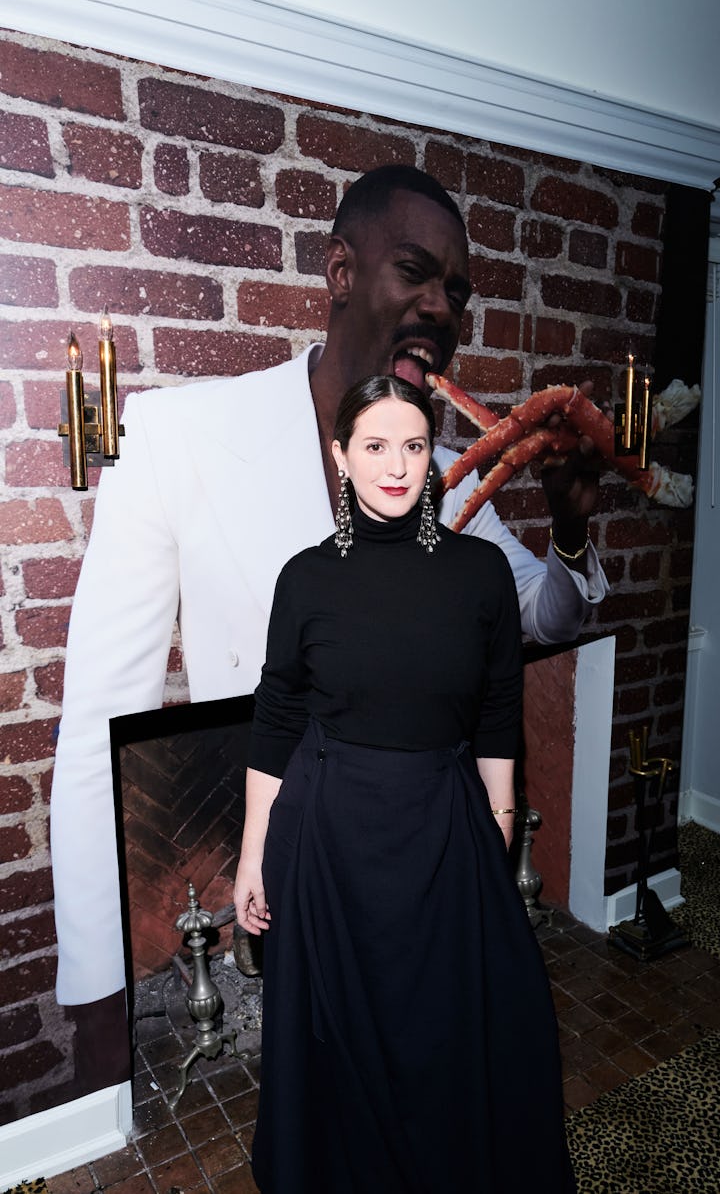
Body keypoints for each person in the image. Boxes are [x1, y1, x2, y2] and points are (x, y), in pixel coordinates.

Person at [50, 164, 607, 1087]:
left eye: (457, 291)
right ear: (341, 272)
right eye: (415, 272)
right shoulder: (173, 437)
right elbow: (95, 731)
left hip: (426, 860)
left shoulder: (447, 469)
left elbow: (539, 615)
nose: (440, 307)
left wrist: (573, 531)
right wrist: (100, 995)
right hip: (290, 881)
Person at [235, 375, 576, 1193]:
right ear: (341, 456)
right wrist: (251, 855)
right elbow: (275, 720)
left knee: (462, 1027)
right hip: (327, 836)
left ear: (435, 455)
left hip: (443, 822)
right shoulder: (305, 578)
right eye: (376, 445)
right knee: (342, 1041)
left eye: (414, 446)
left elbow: (498, 711)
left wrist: (500, 821)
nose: (396, 466)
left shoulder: (480, 571)